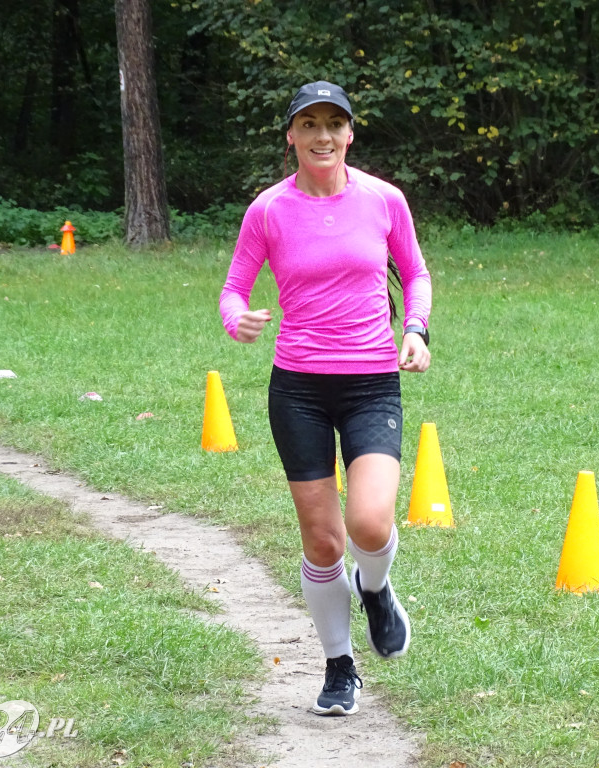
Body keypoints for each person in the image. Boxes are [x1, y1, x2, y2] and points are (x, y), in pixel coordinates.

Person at [219, 80, 432, 716]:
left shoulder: (384, 200)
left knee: (369, 524)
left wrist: (414, 331)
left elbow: (415, 273)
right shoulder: (268, 211)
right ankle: (339, 666)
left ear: (350, 133)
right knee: (322, 541)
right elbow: (234, 290)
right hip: (299, 389)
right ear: (291, 136)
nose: (322, 136)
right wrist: (240, 320)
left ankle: (376, 589)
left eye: (333, 124)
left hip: (371, 381)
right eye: (308, 124)